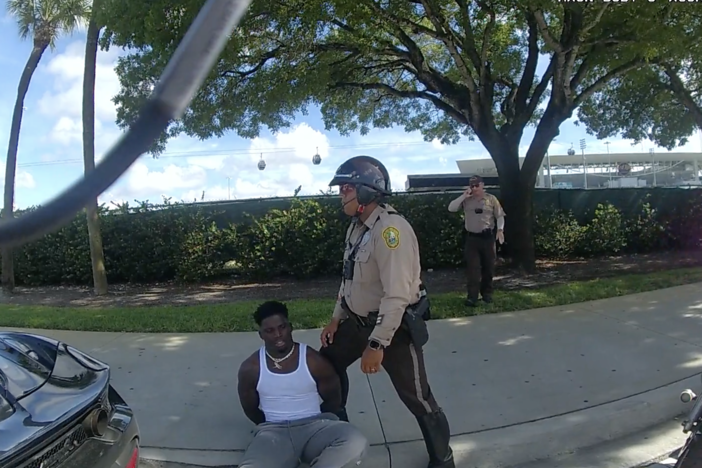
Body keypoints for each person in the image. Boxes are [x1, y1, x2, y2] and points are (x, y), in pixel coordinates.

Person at [320, 155, 455, 468]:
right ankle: (339, 434)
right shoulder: (356, 228)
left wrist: (377, 345)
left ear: (367, 192)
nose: (341, 193)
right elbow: (349, 279)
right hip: (355, 323)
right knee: (325, 364)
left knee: (418, 396)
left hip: (392, 330)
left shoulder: (390, 231)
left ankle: (443, 459)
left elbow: (396, 295)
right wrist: (336, 318)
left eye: (347, 187)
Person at [237, 300, 368, 468]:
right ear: (261, 335)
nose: (277, 334)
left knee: (355, 442)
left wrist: (318, 419)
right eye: (269, 331)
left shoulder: (313, 360)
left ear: (290, 327)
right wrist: (272, 424)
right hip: (273, 433)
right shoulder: (251, 368)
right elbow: (250, 409)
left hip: (315, 427)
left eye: (282, 327)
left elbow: (334, 399)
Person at [448, 175, 506, 307]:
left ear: (482, 185)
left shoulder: (491, 199)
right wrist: (464, 196)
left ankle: (487, 294)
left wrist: (500, 230)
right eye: (471, 186)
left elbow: (500, 216)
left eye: (476, 185)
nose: (474, 188)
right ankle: (472, 297)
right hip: (472, 239)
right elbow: (451, 208)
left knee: (488, 268)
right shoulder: (467, 200)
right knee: (473, 270)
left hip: (488, 238)